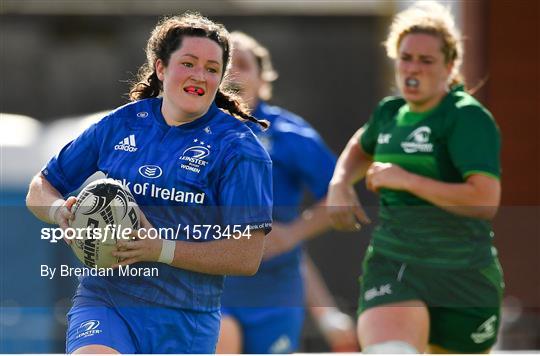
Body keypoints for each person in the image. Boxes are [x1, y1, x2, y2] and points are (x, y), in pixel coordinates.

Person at [26, 12, 273, 354]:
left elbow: (247, 256)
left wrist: (161, 249)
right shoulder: (121, 124)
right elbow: (41, 186)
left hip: (185, 319)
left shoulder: (239, 149)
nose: (199, 76)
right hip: (106, 300)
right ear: (161, 68)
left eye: (212, 69)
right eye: (188, 63)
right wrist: (59, 213)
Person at [327, 1, 504, 353]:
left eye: (426, 61)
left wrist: (408, 180)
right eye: (406, 57)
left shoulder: (466, 118)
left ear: (450, 66)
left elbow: (485, 200)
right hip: (395, 263)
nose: (413, 68)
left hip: (463, 275)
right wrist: (341, 181)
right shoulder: (390, 112)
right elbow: (360, 147)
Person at [216, 31, 356, 354]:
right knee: (223, 335)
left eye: (243, 64)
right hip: (212, 286)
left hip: (275, 293)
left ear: (263, 79)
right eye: (224, 65)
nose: (233, 73)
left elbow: (341, 197)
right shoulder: (191, 133)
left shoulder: (289, 134)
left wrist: (293, 233)